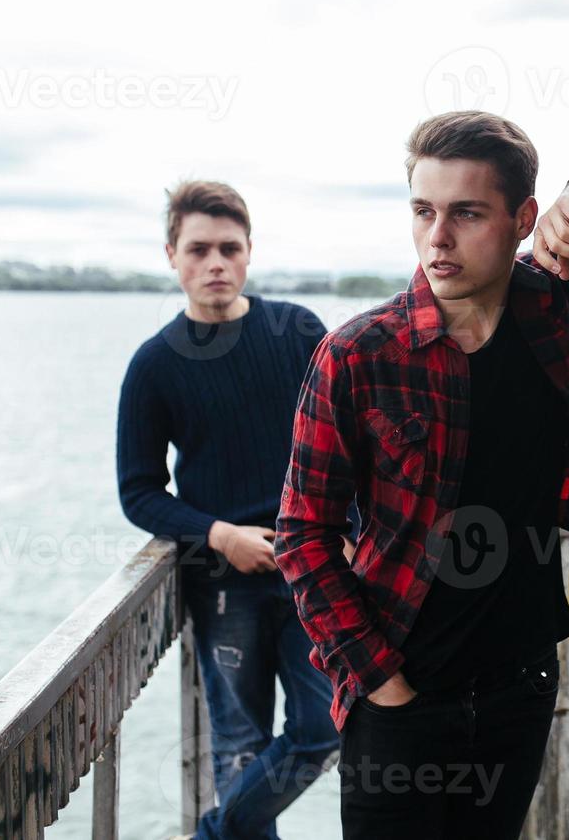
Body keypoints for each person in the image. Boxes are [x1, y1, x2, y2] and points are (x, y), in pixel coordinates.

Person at [274, 111, 569, 838]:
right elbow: (302, 534)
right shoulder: (358, 354)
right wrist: (377, 679)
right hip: (402, 693)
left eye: (467, 213)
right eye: (423, 211)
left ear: (523, 219)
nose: (438, 238)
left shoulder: (558, 302)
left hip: (521, 684)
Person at [116, 181, 352, 839]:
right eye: (198, 250)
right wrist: (219, 535)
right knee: (240, 747)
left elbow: (352, 439)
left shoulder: (297, 331)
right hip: (224, 588)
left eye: (228, 248)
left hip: (311, 570)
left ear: (248, 254)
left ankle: (214, 834)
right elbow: (138, 491)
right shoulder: (155, 365)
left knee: (320, 726)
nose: (214, 263)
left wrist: (353, 532)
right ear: (173, 256)